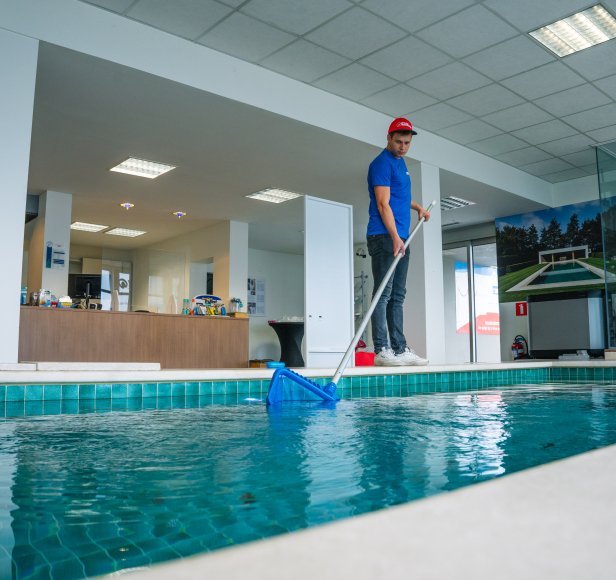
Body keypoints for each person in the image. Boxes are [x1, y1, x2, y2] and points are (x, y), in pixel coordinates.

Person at [367, 117, 430, 366]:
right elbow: (383, 203)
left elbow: (399, 197)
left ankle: (400, 348)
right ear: (388, 138)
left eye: (407, 142)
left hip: (400, 235)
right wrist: (394, 237)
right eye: (398, 141)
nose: (403, 146)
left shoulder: (401, 163)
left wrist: (418, 207)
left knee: (398, 295)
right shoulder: (381, 163)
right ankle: (382, 349)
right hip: (384, 236)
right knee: (383, 293)